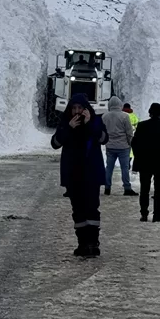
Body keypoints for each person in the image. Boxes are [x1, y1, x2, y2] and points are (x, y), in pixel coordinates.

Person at [51, 93, 108, 257]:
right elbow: (55, 143)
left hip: (91, 173)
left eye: (80, 108)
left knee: (92, 208)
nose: (77, 111)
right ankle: (82, 243)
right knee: (78, 210)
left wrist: (90, 124)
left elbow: (104, 139)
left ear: (85, 109)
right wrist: (68, 128)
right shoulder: (65, 123)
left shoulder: (96, 121)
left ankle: (93, 243)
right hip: (73, 174)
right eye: (74, 108)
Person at [131, 103, 160, 223]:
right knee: (158, 190)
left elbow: (134, 143)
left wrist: (138, 157)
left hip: (145, 162)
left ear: (150, 113)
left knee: (144, 189)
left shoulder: (141, 125)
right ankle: (157, 214)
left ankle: (144, 213)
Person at [101, 96, 137, 196]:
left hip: (110, 146)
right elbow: (129, 132)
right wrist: (130, 143)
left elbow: (102, 131)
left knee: (109, 167)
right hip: (123, 147)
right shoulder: (125, 116)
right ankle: (127, 188)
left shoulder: (104, 116)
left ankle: (107, 188)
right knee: (124, 168)